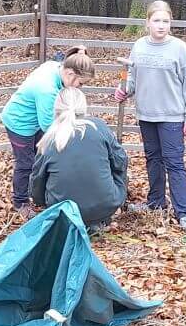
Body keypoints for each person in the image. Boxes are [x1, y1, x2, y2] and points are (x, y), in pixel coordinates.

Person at [118, 0, 186, 230]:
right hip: (146, 115)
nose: (161, 25)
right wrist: (124, 89)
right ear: (147, 23)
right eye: (156, 21)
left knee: (174, 163)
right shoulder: (139, 46)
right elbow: (132, 77)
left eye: (165, 21)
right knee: (153, 160)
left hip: (172, 116)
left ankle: (183, 212)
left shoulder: (179, 49)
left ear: (171, 23)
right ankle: (156, 203)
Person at [0, 46, 94, 216]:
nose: (80, 88)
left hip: (34, 119)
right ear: (70, 74)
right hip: (19, 122)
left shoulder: (55, 67)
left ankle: (37, 192)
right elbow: (49, 127)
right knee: (25, 164)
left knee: (39, 157)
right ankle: (20, 202)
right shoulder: (47, 89)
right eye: (81, 83)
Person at [30, 88, 128, 230]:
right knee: (117, 162)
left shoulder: (48, 139)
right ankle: (99, 216)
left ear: (56, 110)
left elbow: (37, 180)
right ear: (83, 107)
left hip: (63, 211)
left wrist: (41, 201)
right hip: (105, 207)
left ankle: (75, 220)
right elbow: (121, 161)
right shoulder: (98, 127)